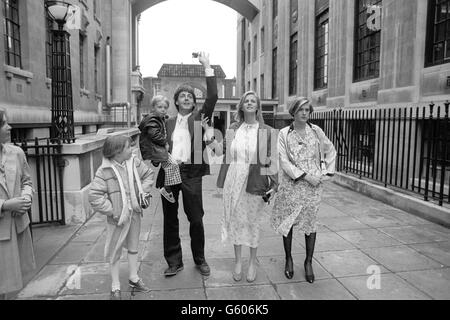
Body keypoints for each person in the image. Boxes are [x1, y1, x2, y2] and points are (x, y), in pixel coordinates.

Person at [155, 52, 218, 277]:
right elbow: (154, 145)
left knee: (196, 219)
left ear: (194, 101)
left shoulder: (200, 118)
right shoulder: (166, 122)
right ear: (176, 101)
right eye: (182, 95)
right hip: (169, 172)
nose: (186, 98)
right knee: (170, 220)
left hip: (191, 173)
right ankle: (174, 262)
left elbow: (212, 97)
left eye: (190, 96)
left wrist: (207, 66)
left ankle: (200, 259)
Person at [271, 97, 336, 283]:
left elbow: (330, 150)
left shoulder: (316, 132)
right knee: (288, 222)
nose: (304, 113)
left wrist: (325, 173)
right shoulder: (284, 133)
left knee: (310, 223)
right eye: (301, 109)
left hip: (313, 187)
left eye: (307, 109)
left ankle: (308, 262)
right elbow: (283, 161)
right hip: (292, 184)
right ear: (293, 111)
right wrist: (306, 176)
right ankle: (288, 259)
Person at [216, 91, 278, 283]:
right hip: (233, 180)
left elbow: (272, 159)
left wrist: (275, 184)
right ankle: (237, 262)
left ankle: (252, 262)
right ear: (241, 106)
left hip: (255, 181)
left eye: (253, 101)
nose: (250, 103)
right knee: (236, 220)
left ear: (257, 107)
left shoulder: (267, 131)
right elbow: (225, 154)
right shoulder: (233, 128)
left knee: (253, 222)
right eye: (246, 101)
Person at [89, 135, 154, 300]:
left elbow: (148, 175)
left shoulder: (134, 162)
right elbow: (95, 197)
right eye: (128, 147)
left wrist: (142, 193)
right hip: (117, 218)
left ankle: (134, 278)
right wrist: (114, 210)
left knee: (133, 246)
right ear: (117, 152)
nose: (131, 150)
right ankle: (115, 286)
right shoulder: (104, 170)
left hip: (135, 213)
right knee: (115, 250)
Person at [0, 110, 35, 299]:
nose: (9, 127)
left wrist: (26, 198)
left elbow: (27, 182)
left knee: (10, 285)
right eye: (4, 123)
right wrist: (5, 205)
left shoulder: (16, 153)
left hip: (16, 228)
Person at [139, 95, 182, 203]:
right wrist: (165, 142)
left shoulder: (160, 119)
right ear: (153, 108)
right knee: (173, 164)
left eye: (165, 107)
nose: (163, 110)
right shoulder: (153, 119)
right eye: (160, 107)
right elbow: (154, 134)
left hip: (158, 149)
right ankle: (166, 189)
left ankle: (157, 162)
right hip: (156, 148)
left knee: (172, 165)